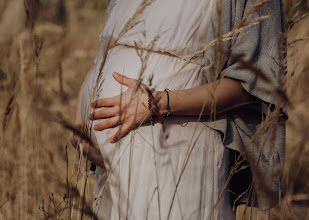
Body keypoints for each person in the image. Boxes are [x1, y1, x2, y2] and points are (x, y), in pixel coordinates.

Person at [70, 0, 287, 219]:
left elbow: (254, 85)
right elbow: (105, 54)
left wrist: (157, 103)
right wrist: (80, 121)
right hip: (108, 160)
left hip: (176, 151)